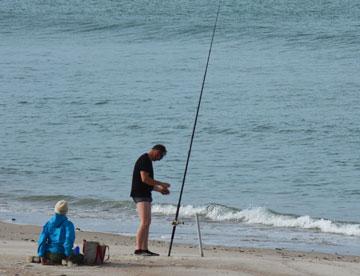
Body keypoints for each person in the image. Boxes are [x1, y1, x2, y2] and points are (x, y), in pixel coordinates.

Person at [130, 144, 170, 256]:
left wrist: (160, 190)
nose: (159, 159)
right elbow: (145, 179)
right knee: (144, 221)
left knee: (147, 222)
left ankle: (145, 249)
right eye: (160, 156)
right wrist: (161, 183)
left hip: (144, 193)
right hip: (140, 194)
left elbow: (147, 184)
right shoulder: (144, 159)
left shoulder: (147, 161)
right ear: (157, 152)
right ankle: (138, 249)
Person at [37, 200, 83, 265]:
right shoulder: (68, 224)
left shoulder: (48, 223)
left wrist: (41, 254)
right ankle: (66, 260)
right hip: (61, 253)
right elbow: (68, 240)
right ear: (66, 211)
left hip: (48, 252)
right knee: (79, 255)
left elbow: (42, 240)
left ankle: (43, 258)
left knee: (74, 249)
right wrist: (68, 254)